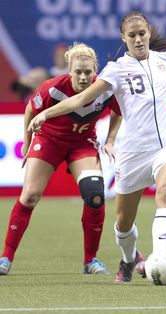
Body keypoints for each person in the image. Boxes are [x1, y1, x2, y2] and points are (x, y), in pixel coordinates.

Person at [27, 11, 166, 283]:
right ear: (123, 38)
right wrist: (46, 114)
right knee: (123, 224)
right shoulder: (115, 69)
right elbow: (80, 98)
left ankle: (159, 258)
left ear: (149, 33)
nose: (138, 40)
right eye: (132, 36)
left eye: (142, 34)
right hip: (133, 153)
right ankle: (129, 259)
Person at [0, 42, 122, 276]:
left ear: (95, 69)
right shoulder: (52, 88)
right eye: (78, 72)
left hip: (81, 144)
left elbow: (118, 110)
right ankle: (5, 257)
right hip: (49, 141)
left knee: (95, 195)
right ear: (69, 70)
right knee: (30, 195)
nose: (84, 77)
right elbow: (30, 110)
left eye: (88, 72)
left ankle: (90, 260)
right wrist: (27, 141)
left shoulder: (104, 88)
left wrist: (110, 140)